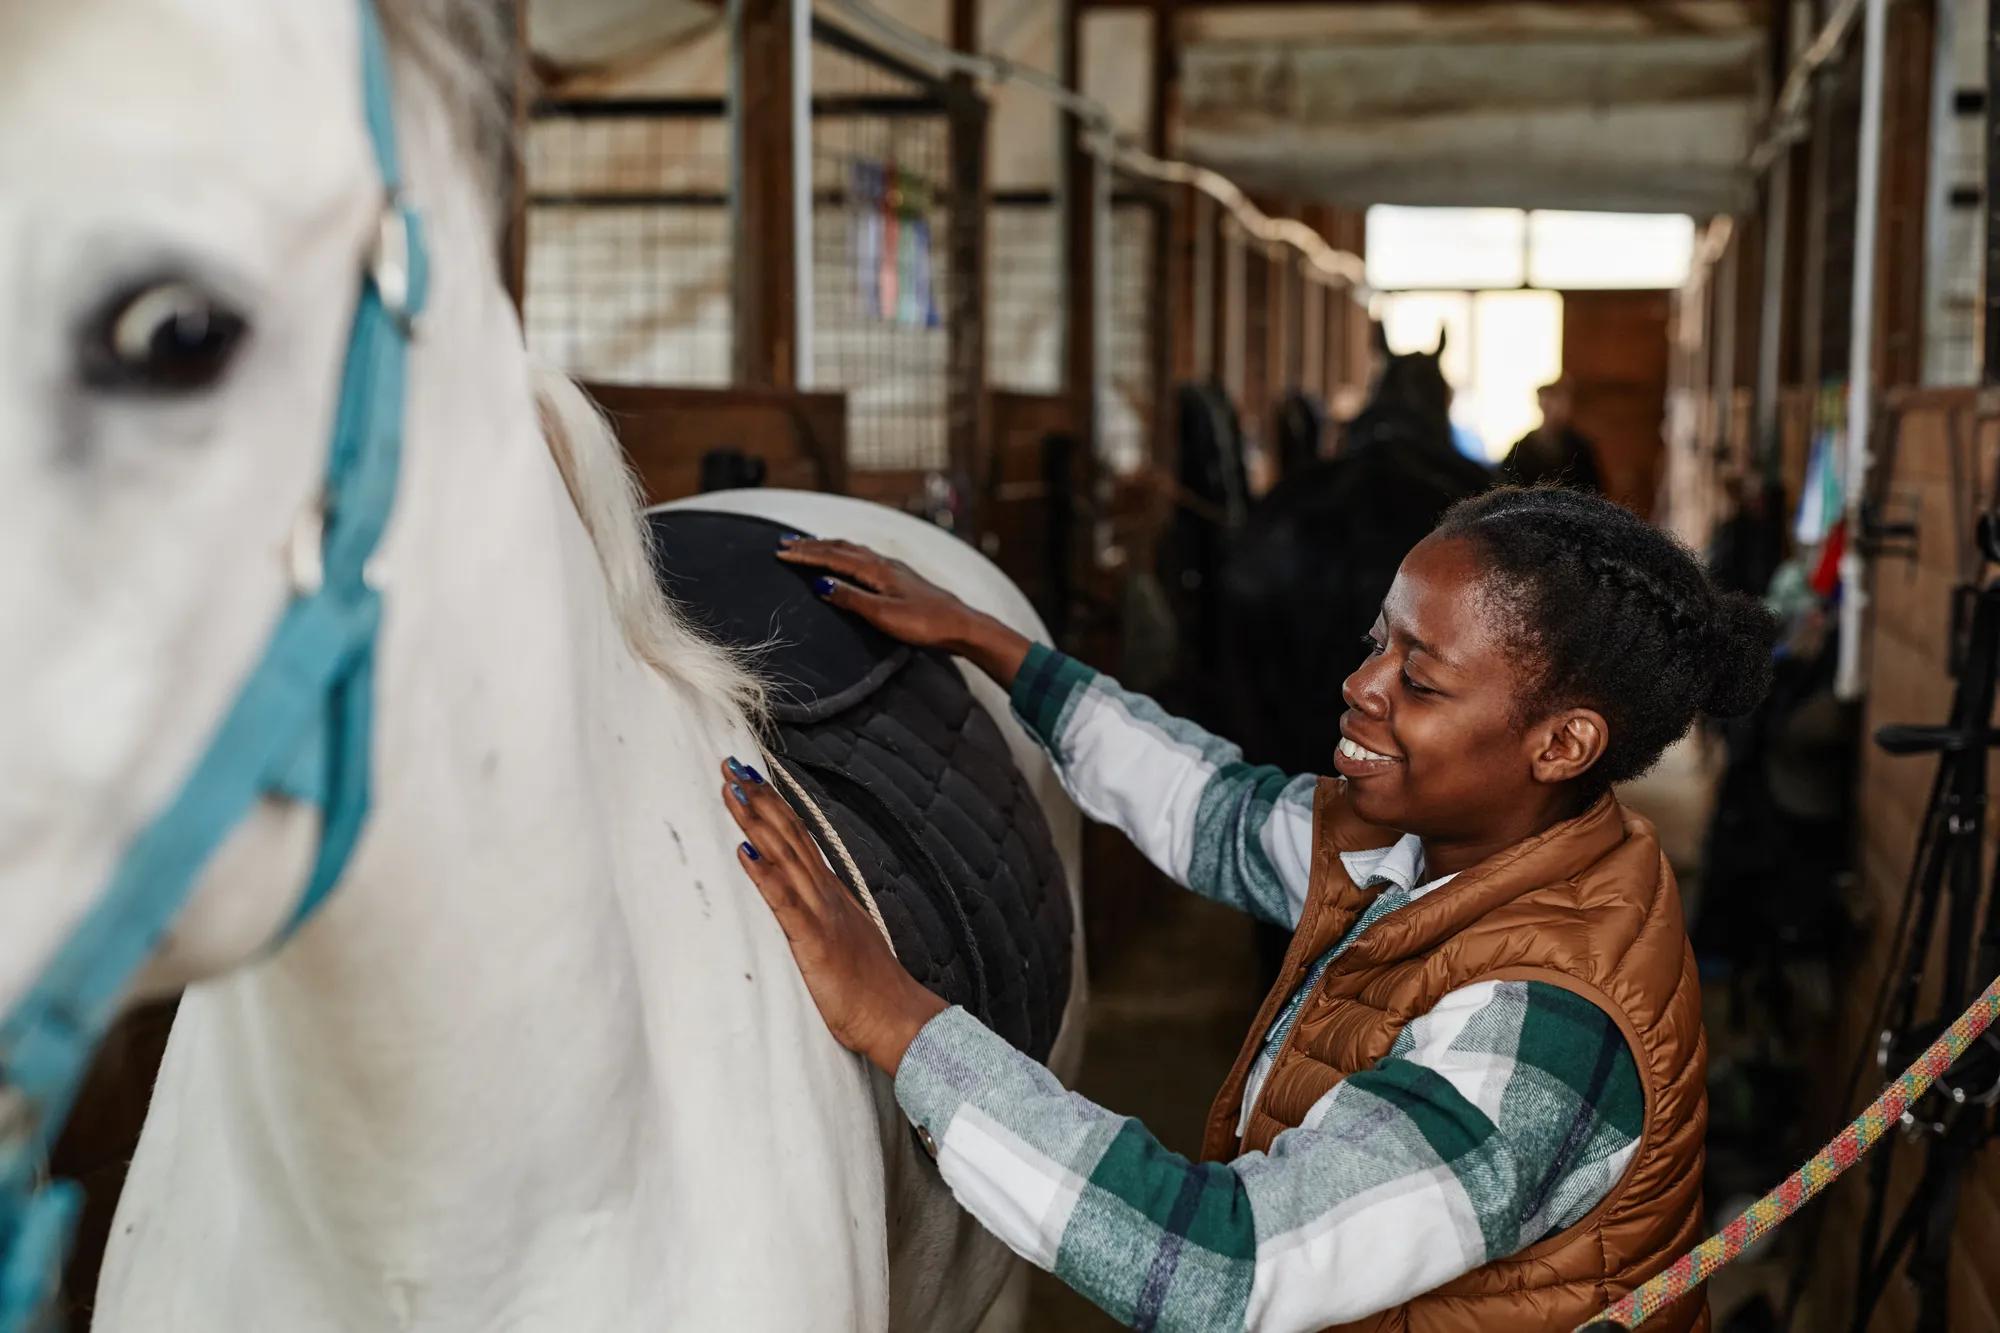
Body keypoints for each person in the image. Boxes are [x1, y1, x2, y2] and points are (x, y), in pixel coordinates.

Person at [718, 487, 1776, 1331]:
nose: (1360, 686)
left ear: (1560, 744)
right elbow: (1213, 808)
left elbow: (1220, 1267)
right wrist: (992, 646)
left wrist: (898, 1021)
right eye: (1375, 643)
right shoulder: (1434, 848)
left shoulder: (1541, 1027)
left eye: (1421, 678)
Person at [1501, 378, 1602, 493]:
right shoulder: (1522, 449)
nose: (1555, 409)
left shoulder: (1580, 448)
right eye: (1549, 403)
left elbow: (1594, 489)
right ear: (1541, 405)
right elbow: (1506, 486)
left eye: (1560, 402)